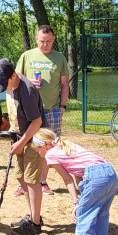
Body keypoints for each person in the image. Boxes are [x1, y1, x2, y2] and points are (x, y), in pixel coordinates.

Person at [32, 128, 118, 235]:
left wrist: (76, 202)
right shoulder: (65, 144)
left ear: (43, 146)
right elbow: (79, 174)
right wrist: (82, 199)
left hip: (95, 177)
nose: (39, 154)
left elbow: (67, 179)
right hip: (110, 173)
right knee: (100, 219)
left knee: (84, 221)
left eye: (37, 150)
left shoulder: (51, 154)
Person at [0, 59, 47, 235]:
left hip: (34, 139)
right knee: (21, 177)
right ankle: (32, 215)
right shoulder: (12, 85)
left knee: (32, 180)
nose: (4, 88)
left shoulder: (28, 90)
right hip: (20, 137)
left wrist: (21, 142)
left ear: (13, 75)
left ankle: (35, 224)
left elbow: (37, 122)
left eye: (4, 84)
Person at [14, 25, 70, 197]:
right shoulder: (27, 56)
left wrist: (62, 107)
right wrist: (28, 80)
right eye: (41, 42)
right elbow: (15, 79)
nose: (45, 45)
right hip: (28, 109)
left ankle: (42, 182)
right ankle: (24, 183)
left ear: (53, 39)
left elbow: (64, 84)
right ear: (36, 40)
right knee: (25, 144)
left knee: (47, 147)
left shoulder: (59, 58)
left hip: (51, 109)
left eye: (48, 41)